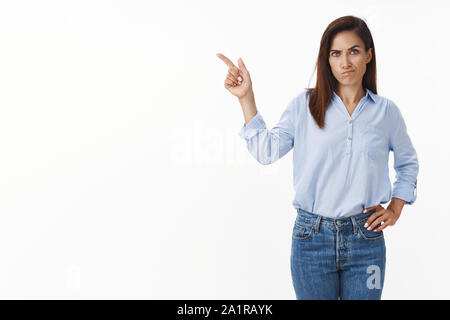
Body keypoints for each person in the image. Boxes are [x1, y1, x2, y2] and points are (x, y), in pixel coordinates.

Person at [217, 15, 419, 300]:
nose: (345, 62)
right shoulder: (305, 106)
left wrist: (396, 208)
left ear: (368, 56)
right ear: (327, 59)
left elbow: (408, 162)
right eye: (336, 53)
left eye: (354, 51)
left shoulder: (386, 113)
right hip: (311, 239)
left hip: (366, 240)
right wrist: (246, 98)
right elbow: (267, 152)